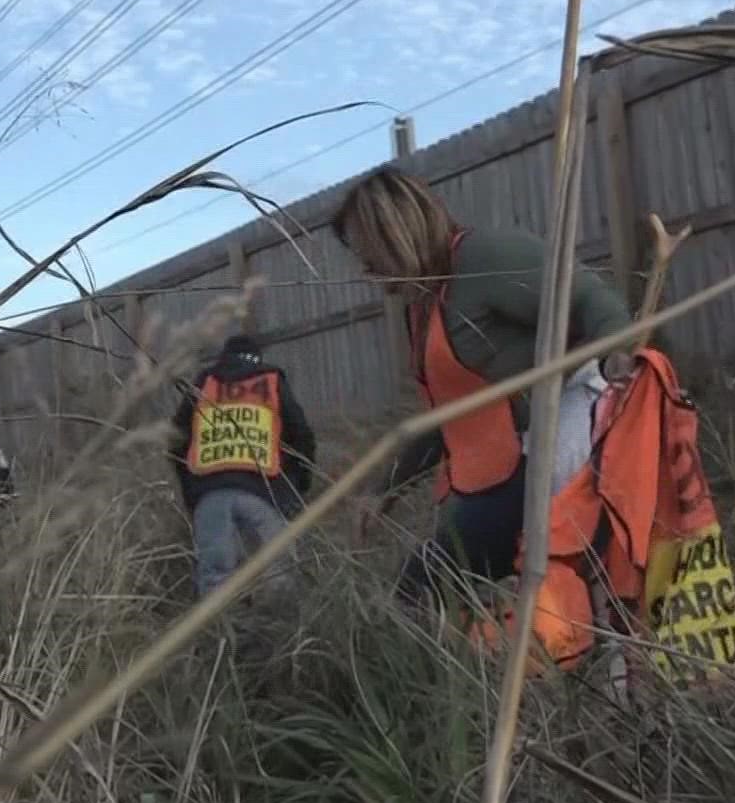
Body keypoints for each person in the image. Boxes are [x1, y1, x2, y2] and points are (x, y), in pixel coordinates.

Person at [332, 167, 632, 603]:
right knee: (438, 590)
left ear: (395, 237)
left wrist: (619, 354)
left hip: (556, 451)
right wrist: (387, 491)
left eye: (370, 257)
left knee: (425, 590)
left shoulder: (486, 259)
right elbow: (449, 416)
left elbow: (594, 302)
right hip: (499, 469)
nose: (367, 272)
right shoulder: (427, 303)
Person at [167, 334, 316, 597]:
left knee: (216, 581)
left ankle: (220, 635)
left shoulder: (205, 383)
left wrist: (192, 493)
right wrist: (297, 488)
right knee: (277, 578)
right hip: (265, 496)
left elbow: (176, 441)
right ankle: (276, 635)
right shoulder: (271, 380)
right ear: (258, 359)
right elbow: (301, 435)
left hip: (211, 497)